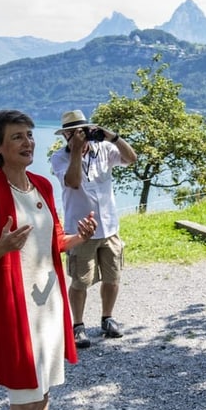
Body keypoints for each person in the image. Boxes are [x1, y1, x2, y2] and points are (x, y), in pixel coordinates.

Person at [0, 109, 97, 410]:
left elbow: (53, 241)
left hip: (49, 302)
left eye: (29, 134)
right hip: (16, 308)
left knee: (42, 393)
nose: (28, 142)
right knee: (23, 403)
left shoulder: (42, 184)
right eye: (17, 137)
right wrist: (3, 245)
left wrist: (79, 238)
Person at [50, 109, 136, 348]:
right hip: (81, 231)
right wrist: (76, 150)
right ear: (66, 135)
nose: (83, 136)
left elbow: (132, 159)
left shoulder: (105, 150)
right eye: (76, 133)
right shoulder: (59, 158)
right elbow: (74, 182)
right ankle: (78, 326)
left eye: (85, 131)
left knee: (113, 276)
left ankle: (107, 318)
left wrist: (113, 137)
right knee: (80, 280)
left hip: (110, 227)